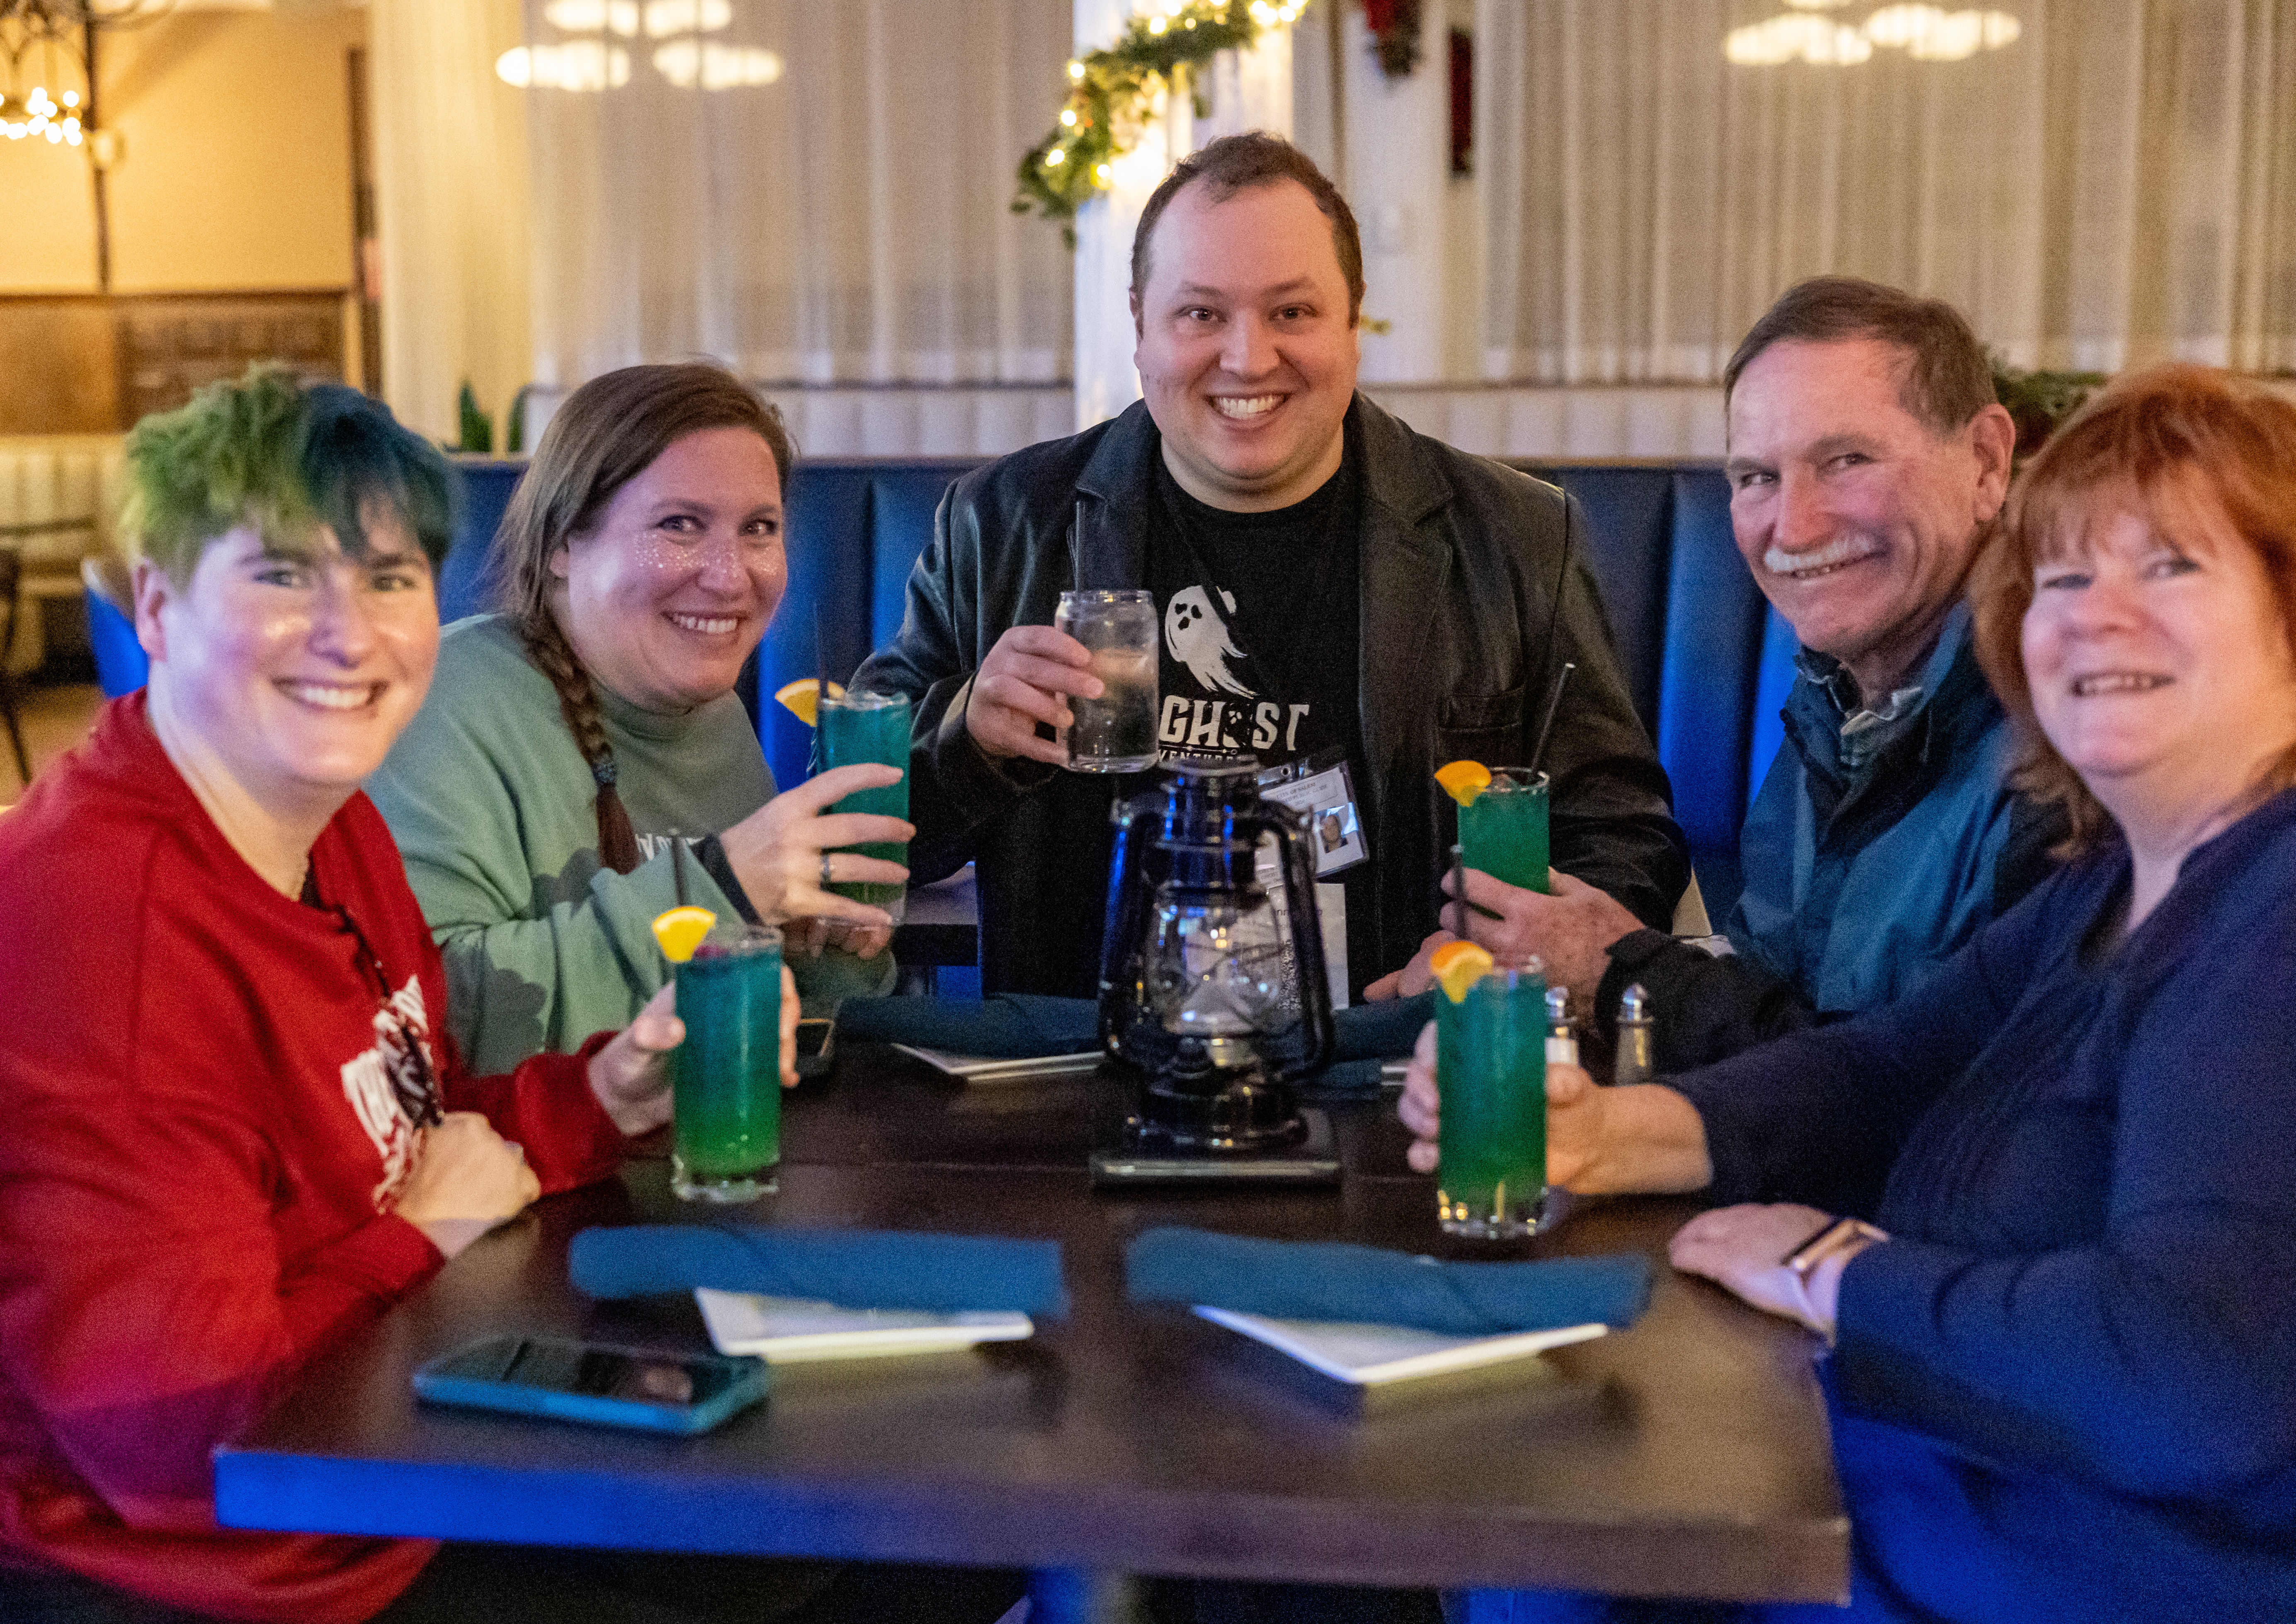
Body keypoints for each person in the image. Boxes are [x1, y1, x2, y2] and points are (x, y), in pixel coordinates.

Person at [1402, 362, 2296, 1622]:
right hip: (1971, 1478)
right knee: (1526, 1486)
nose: (2098, 616)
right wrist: (1605, 1135)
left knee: (1540, 1520)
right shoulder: (2111, 888)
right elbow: (1880, 1065)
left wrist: (1837, 1271)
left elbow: (2189, 1375)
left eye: (2170, 569)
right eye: (2065, 577)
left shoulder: (2272, 908)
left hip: (2117, 1559)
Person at [0, 370, 786, 1620]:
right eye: (278, 575)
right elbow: (175, 1439)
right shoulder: (107, 939)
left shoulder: (334, 823)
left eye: (386, 578)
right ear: (156, 604)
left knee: (857, 1535)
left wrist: (594, 1095)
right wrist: (415, 1237)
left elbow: (409, 1125)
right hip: (219, 1572)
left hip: (389, 1483)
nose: (347, 632)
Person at [853, 131, 1686, 1002]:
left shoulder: (1517, 536)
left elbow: (1621, 837)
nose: (1249, 358)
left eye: (1292, 312)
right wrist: (967, 738)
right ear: (1140, 325)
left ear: (1353, 320)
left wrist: (1506, 963)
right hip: (1083, 1075)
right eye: (1201, 314)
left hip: (1399, 1068)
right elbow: (858, 829)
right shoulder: (1001, 527)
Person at [1370, 278, 2062, 1069]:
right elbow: (1778, 1012)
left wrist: (1616, 971)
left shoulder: (2063, 738)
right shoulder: (1836, 706)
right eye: (1756, 478)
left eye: (1845, 461)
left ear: (1985, 462)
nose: (1792, 528)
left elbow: (1927, 1098)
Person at [368, 363, 912, 1076]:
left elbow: (743, 1023)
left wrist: (828, 956)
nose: (729, 575)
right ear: (563, 541)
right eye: (679, 525)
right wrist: (722, 886)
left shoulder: (712, 715)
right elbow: (430, 1021)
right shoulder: (441, 702)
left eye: (758, 528)